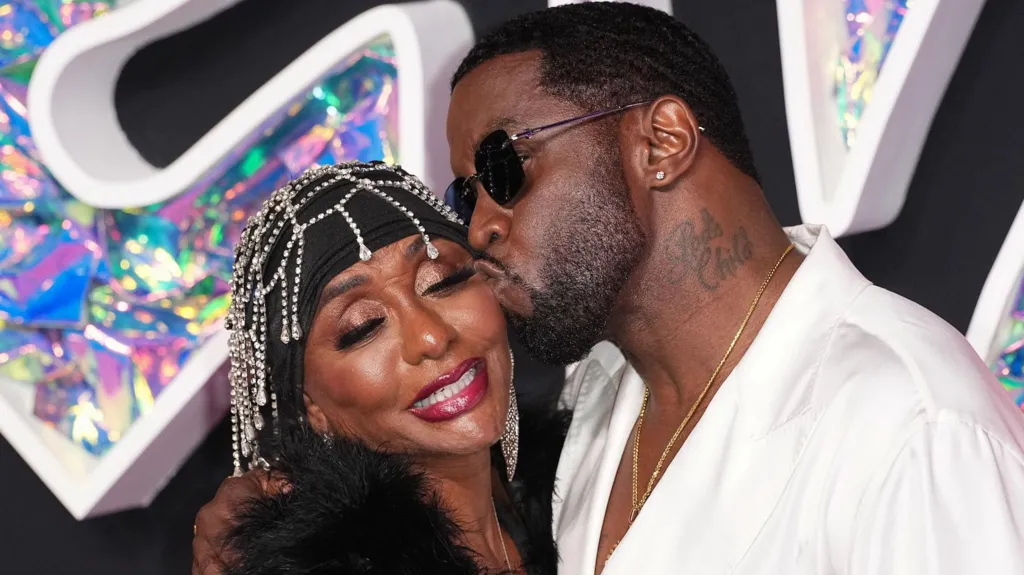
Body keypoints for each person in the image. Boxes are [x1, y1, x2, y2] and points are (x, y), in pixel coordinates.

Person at [197, 3, 1024, 574]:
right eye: (466, 196)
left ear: (661, 141)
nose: (479, 227)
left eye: (502, 167)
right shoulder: (600, 402)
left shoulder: (910, 425)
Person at [192, 161, 565, 575]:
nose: (431, 336)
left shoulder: (589, 465)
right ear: (312, 406)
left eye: (443, 281)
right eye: (363, 327)